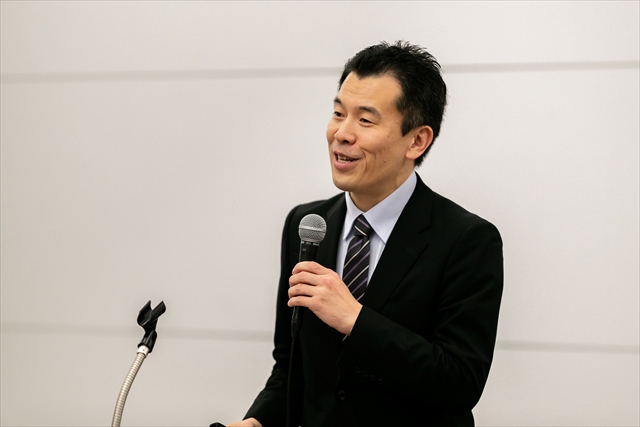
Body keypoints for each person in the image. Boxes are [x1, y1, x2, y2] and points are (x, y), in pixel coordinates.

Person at [224, 41, 503, 427]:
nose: (341, 133)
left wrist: (355, 319)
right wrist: (257, 422)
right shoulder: (307, 225)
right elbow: (291, 366)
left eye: (365, 120)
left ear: (417, 140)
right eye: (338, 113)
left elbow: (459, 382)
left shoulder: (466, 239)